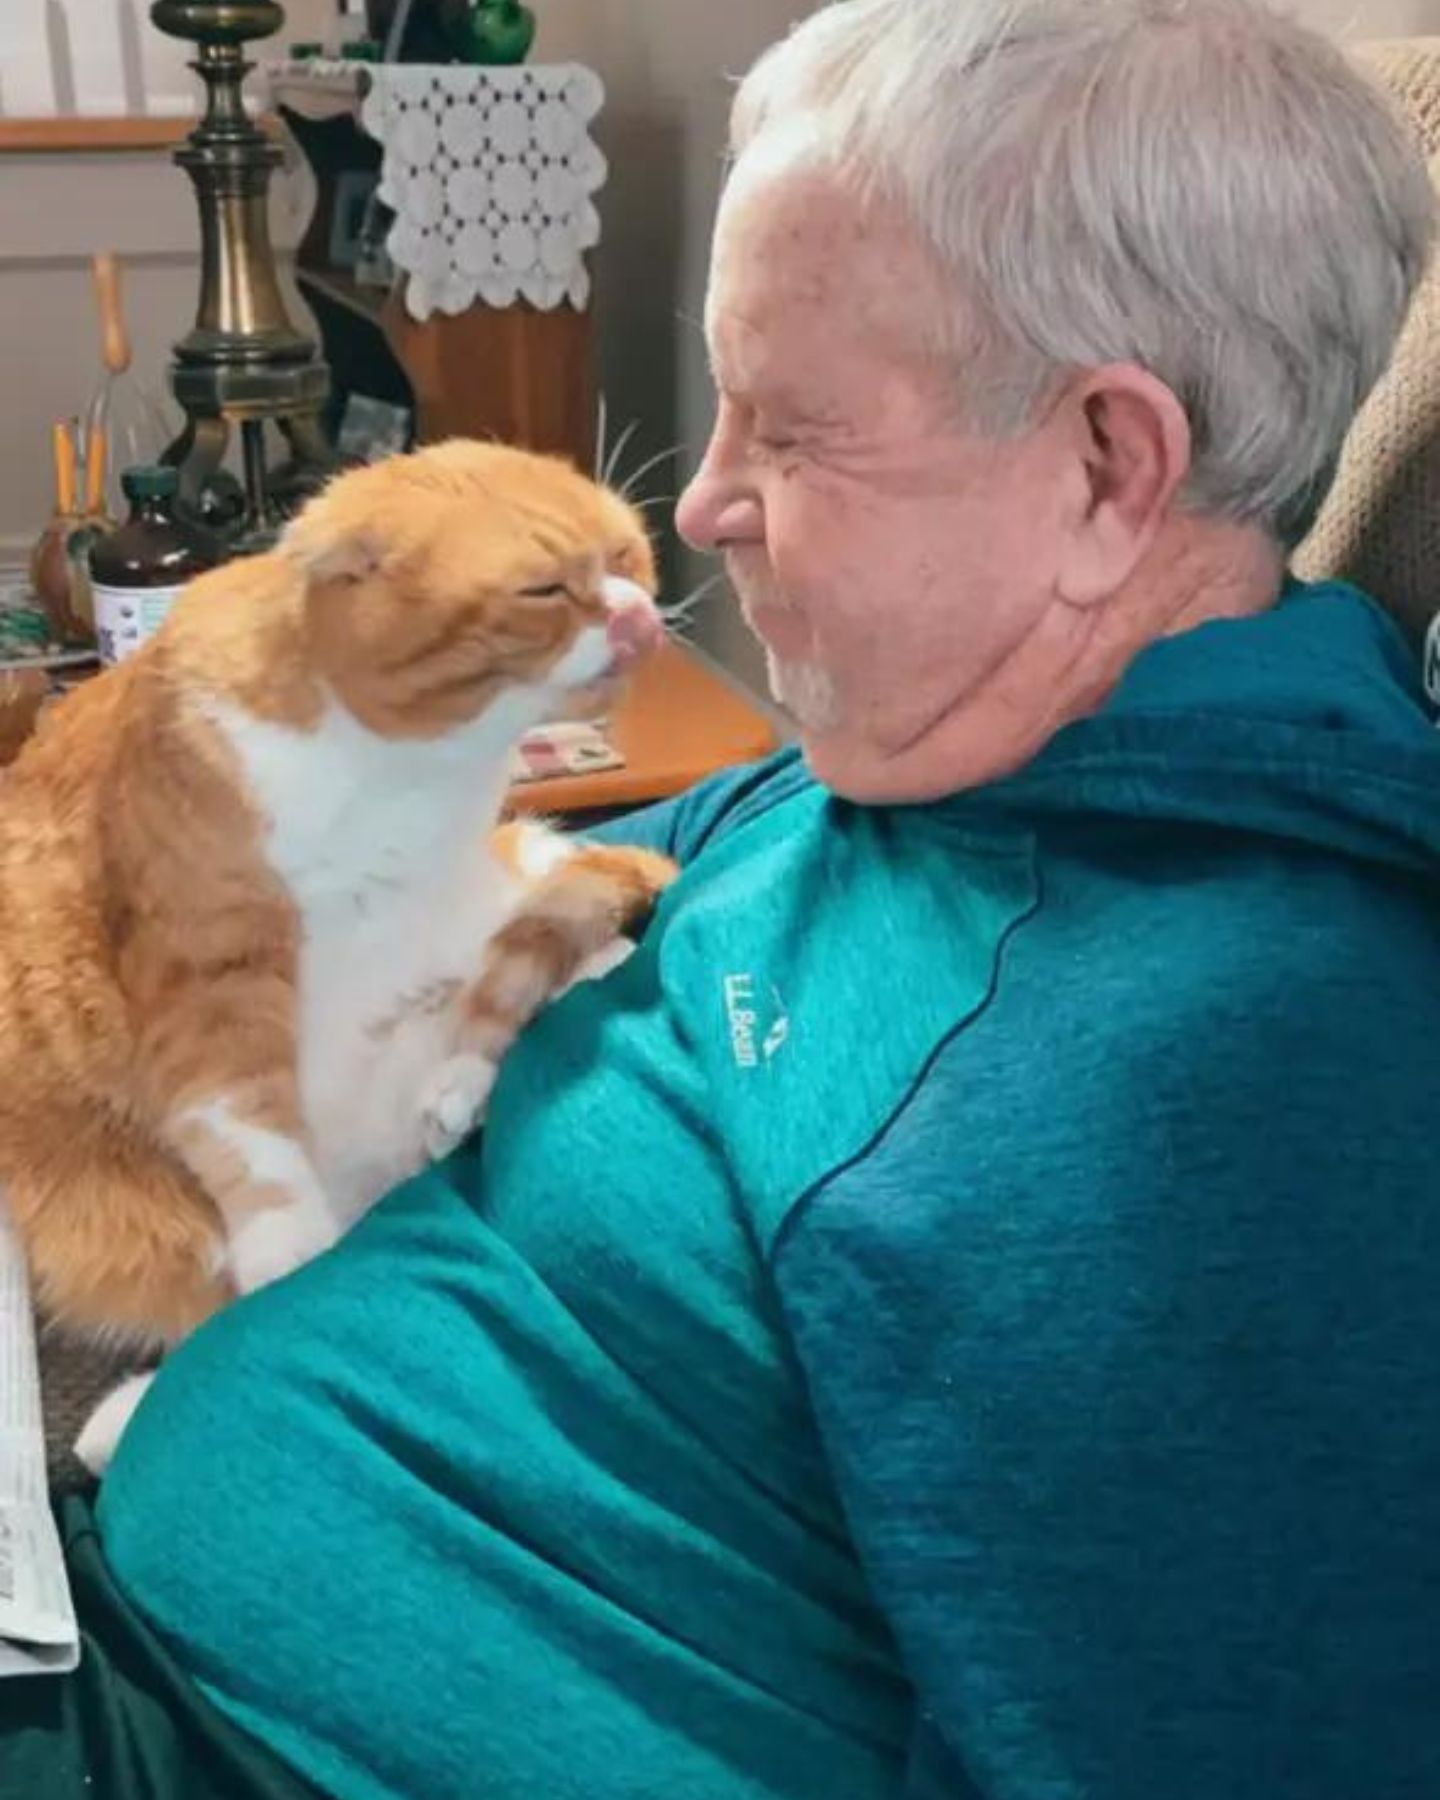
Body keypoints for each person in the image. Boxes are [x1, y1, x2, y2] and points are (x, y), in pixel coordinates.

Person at [6, 0, 1440, 1795]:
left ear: (1104, 468)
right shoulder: (927, 764)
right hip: (130, 1529)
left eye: (794, 429)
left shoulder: (1199, 1107)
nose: (705, 508)